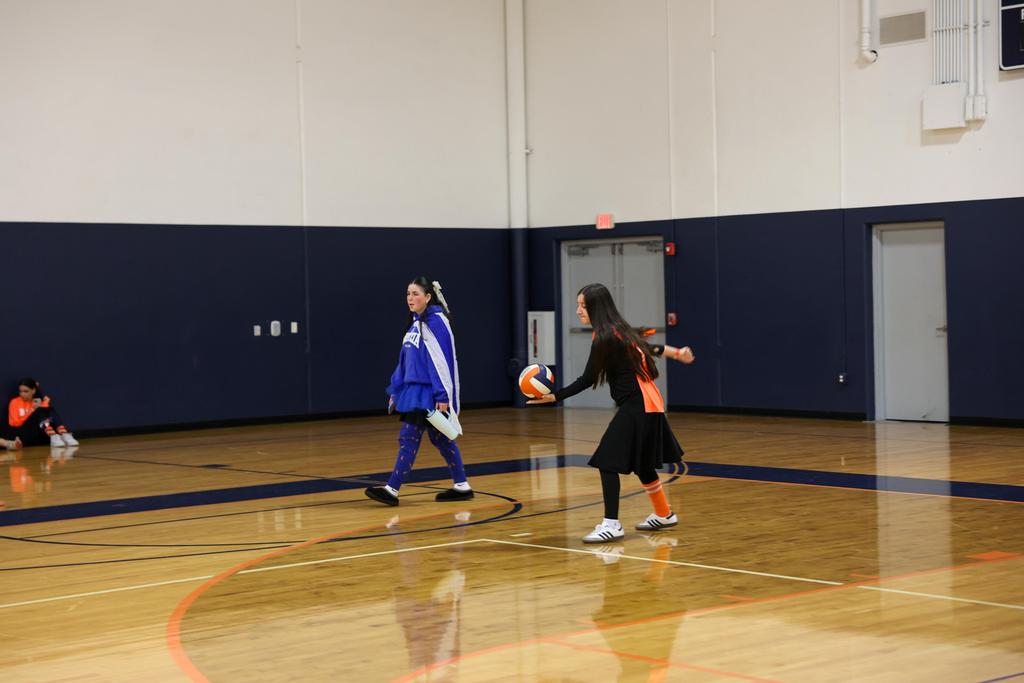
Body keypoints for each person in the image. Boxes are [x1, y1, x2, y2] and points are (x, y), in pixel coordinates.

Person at [528, 283, 694, 543]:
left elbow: (588, 379)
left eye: (583, 306)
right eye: (578, 305)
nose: (578, 310)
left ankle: (611, 524)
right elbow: (651, 347)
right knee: (643, 465)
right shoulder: (618, 331)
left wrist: (554, 397)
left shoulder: (606, 337)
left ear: (596, 307)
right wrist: (677, 353)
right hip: (649, 403)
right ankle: (664, 514)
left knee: (607, 461)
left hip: (639, 405)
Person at [365, 278, 473, 506]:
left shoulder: (436, 323)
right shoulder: (415, 324)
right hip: (414, 391)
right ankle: (462, 486)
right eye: (408, 294)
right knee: (440, 438)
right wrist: (396, 388)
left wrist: (442, 395)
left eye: (415, 294)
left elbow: (441, 362)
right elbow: (406, 360)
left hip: (427, 393)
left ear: (428, 297)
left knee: (409, 437)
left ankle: (392, 490)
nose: (410, 298)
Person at [7, 378, 79, 448]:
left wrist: (44, 404)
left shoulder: (38, 401)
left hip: (38, 433)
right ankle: (53, 435)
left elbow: (47, 418)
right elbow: (14, 423)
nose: (22, 394)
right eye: (20, 391)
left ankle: (63, 434)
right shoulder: (14, 402)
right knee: (40, 410)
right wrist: (33, 411)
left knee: (49, 409)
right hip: (22, 433)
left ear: (33, 391)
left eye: (26, 391)